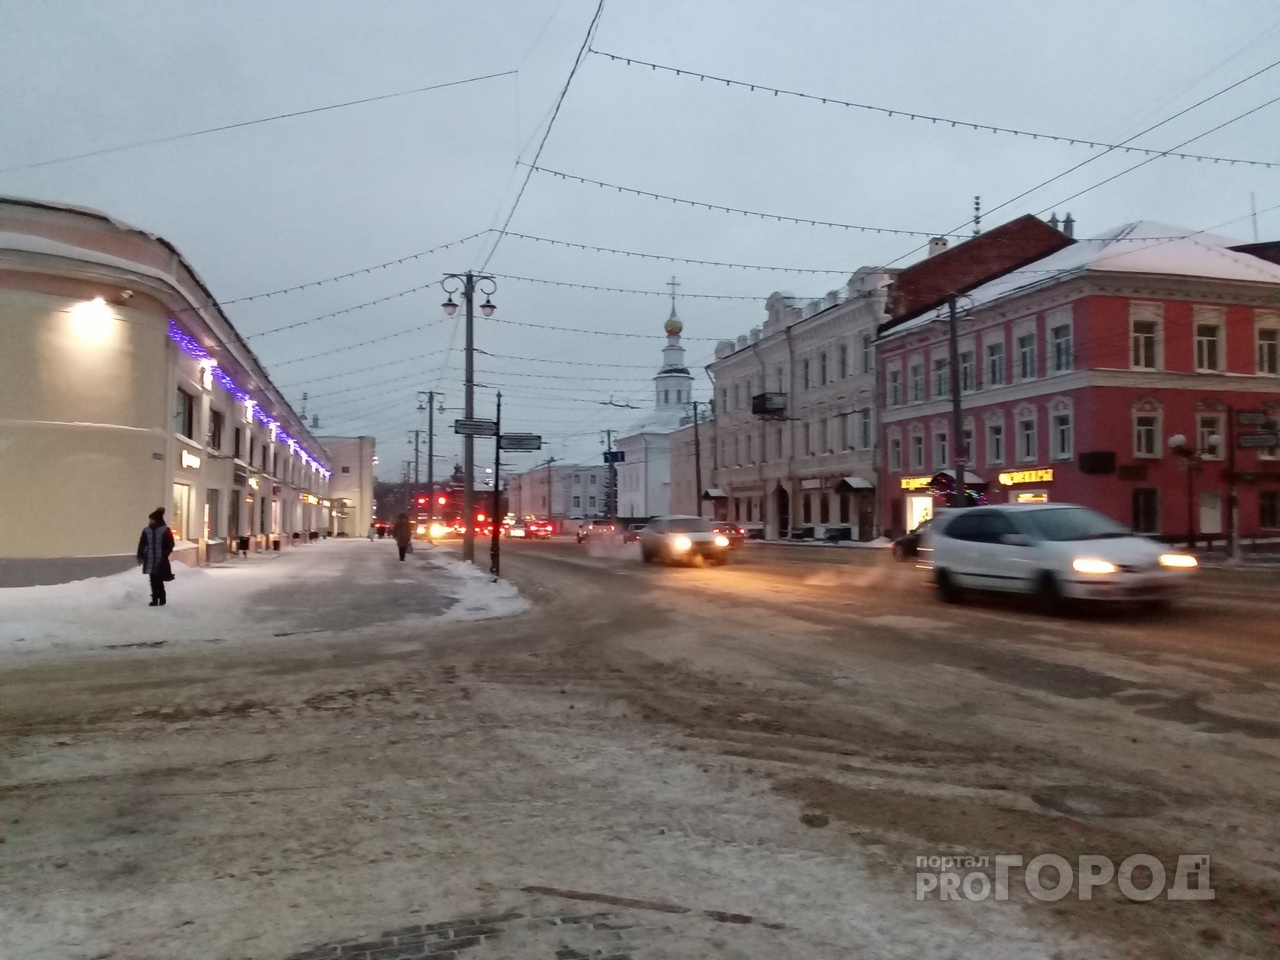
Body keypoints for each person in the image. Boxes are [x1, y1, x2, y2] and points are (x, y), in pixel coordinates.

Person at [137, 507, 175, 606]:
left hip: (160, 559)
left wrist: (165, 554)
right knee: (152, 579)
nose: (150, 521)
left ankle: (161, 597)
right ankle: (155, 599)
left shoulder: (165, 530)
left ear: (156, 519)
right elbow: (142, 543)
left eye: (151, 519)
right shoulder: (146, 530)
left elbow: (170, 543)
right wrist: (140, 554)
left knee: (158, 579)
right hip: (149, 558)